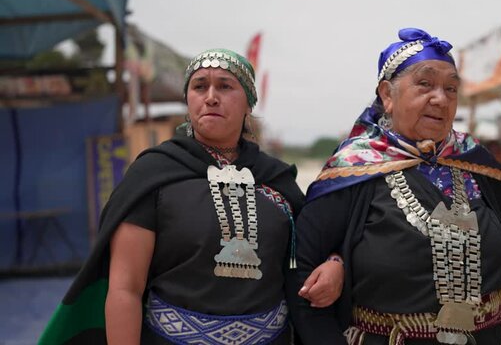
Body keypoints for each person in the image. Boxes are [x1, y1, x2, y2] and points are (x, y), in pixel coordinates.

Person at [39, 48, 341, 344]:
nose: (211, 96)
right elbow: (125, 288)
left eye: (225, 86)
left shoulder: (276, 180)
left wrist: (335, 263)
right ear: (188, 101)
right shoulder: (155, 174)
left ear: (248, 104)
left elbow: (314, 246)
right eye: (200, 87)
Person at [289, 28, 501, 345]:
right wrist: (338, 261)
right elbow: (301, 272)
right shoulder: (355, 167)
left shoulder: (471, 159)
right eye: (425, 83)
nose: (441, 98)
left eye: (451, 88)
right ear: (387, 95)